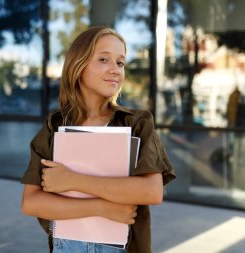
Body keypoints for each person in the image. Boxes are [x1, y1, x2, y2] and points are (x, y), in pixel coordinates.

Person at [21, 26, 175, 253]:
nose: (115, 69)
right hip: (67, 247)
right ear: (78, 66)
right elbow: (31, 202)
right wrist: (101, 207)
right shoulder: (55, 127)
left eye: (120, 63)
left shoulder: (137, 124)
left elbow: (151, 191)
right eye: (104, 59)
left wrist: (72, 180)